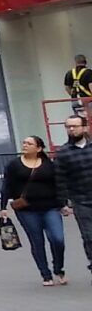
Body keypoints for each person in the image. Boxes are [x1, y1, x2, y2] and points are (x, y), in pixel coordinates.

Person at [0, 136, 73, 286]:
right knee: (37, 241)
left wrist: (63, 204)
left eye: (29, 143)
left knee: (58, 239)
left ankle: (58, 268)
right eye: (24, 143)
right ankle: (46, 274)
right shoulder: (14, 165)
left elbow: (59, 185)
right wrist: (3, 207)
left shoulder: (49, 165)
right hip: (27, 210)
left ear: (38, 148)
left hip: (50, 207)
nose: (25, 145)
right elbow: (6, 185)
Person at [54, 115, 92, 277]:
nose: (71, 129)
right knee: (89, 236)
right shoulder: (63, 153)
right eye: (68, 127)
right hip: (81, 201)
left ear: (85, 128)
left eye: (75, 126)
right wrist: (62, 203)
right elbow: (60, 179)